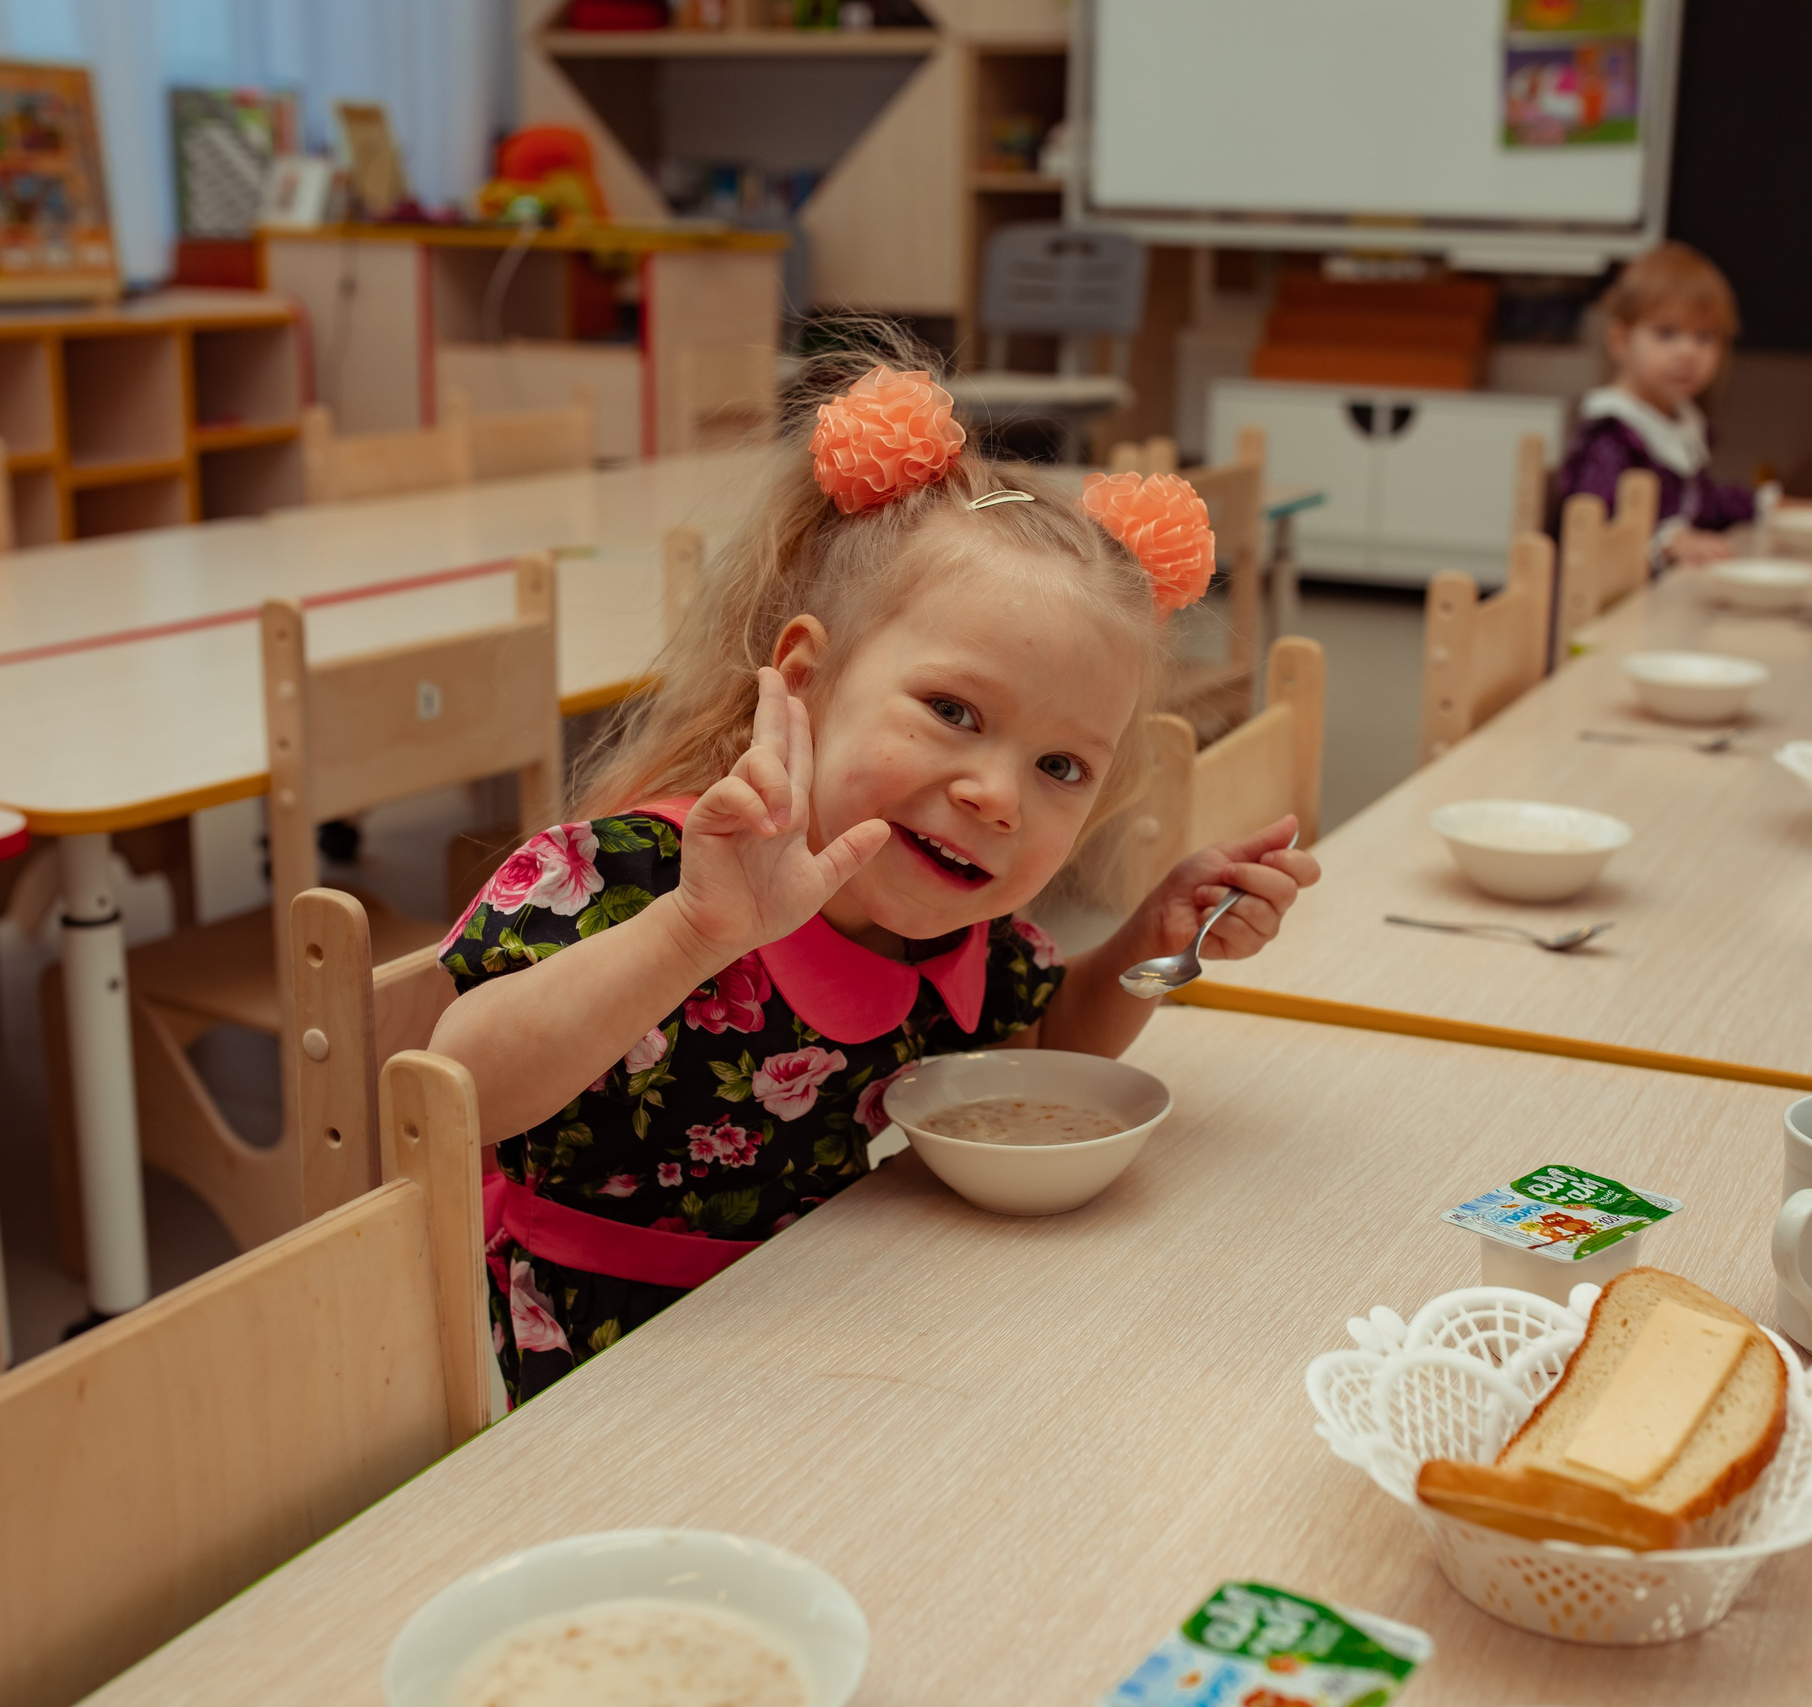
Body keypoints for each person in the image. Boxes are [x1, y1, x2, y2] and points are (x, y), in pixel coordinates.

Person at [429, 344, 1321, 1405]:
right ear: (806, 681)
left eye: (1060, 766)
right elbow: (460, 1093)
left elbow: (1040, 1052)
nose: (998, 794)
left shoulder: (952, 931)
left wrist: (1150, 936)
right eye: (953, 712)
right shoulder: (642, 875)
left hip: (826, 1337)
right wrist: (695, 934)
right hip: (584, 1381)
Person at [1553, 241, 1757, 569]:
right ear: (1620, 340)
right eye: (1666, 333)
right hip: (1610, 605)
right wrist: (1668, 544)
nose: (1687, 353)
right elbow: (1596, 527)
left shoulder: (1679, 422)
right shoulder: (1611, 433)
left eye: (1704, 337)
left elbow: (1703, 503)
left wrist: (1763, 505)